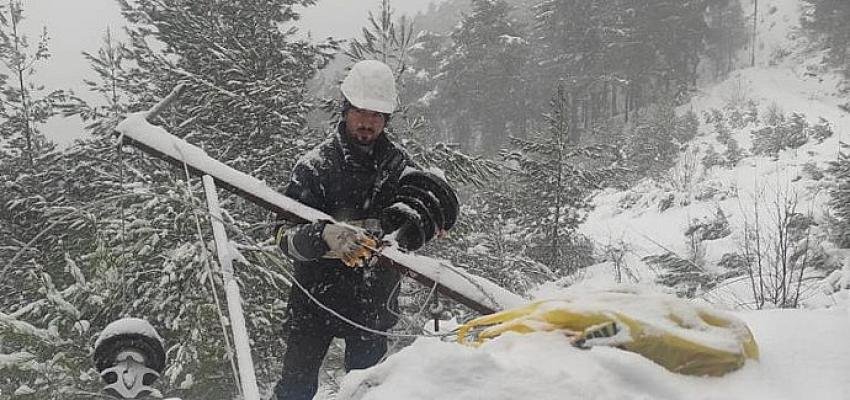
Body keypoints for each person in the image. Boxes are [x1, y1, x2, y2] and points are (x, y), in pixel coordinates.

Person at [272, 60, 426, 400]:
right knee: (294, 391)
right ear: (345, 110)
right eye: (360, 112)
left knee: (366, 393)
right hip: (315, 300)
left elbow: (416, 226)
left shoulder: (401, 170)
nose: (367, 123)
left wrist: (424, 227)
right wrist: (321, 235)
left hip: (372, 302)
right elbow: (282, 235)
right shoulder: (315, 167)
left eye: (376, 115)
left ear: (386, 119)